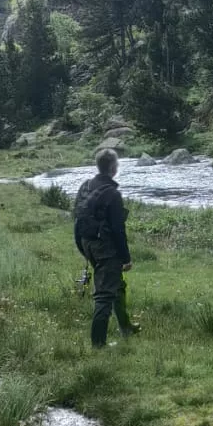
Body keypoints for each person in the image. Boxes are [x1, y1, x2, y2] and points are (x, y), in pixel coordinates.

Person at [73, 148, 132, 348]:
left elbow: (77, 219)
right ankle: (98, 345)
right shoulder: (113, 194)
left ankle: (126, 327)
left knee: (117, 285)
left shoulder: (85, 186)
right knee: (105, 294)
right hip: (106, 249)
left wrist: (83, 248)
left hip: (87, 244)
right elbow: (118, 230)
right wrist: (126, 258)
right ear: (114, 168)